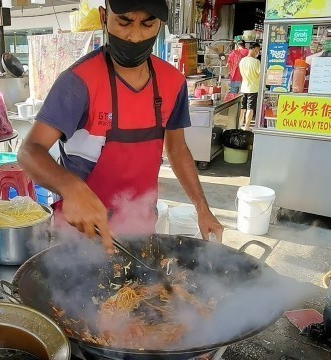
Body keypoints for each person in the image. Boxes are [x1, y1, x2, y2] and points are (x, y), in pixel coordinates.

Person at [18, 0, 223, 251]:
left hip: (141, 233)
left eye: (148, 24)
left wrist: (202, 208)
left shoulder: (173, 82)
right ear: (104, 17)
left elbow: (177, 149)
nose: (135, 36)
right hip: (78, 238)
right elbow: (30, 150)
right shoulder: (78, 82)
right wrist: (70, 188)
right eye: (124, 22)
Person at [239, 42, 261, 131]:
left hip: (243, 87)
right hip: (253, 88)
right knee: (250, 108)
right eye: (258, 50)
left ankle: (239, 125)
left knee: (242, 108)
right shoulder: (256, 62)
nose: (258, 52)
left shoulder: (242, 60)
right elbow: (261, 74)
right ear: (255, 49)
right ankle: (247, 127)